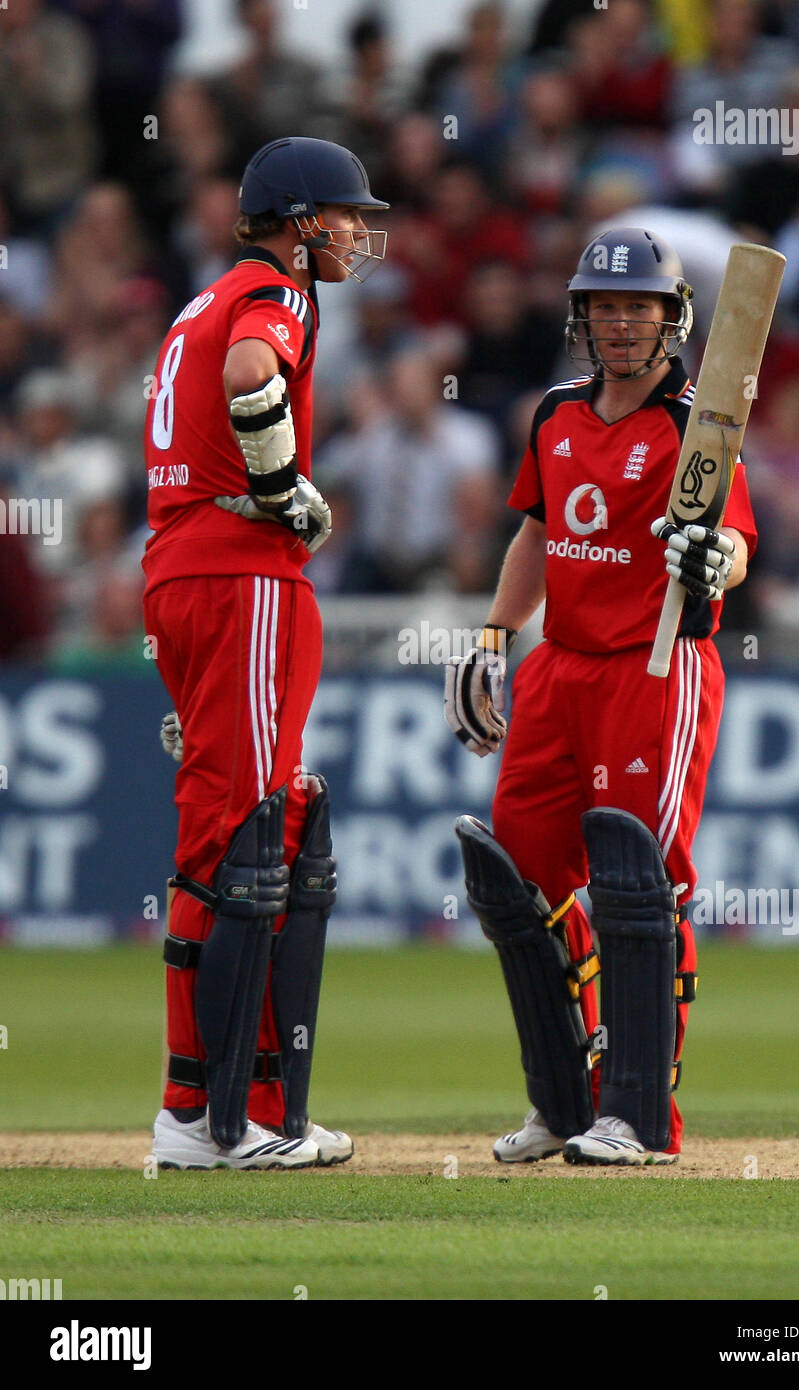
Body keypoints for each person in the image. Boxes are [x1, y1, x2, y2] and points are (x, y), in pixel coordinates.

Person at [445, 227, 757, 1166]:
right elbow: (539, 536)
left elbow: (734, 542)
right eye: (604, 307)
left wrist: (714, 560)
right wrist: (496, 634)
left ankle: (640, 1110)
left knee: (640, 884)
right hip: (560, 670)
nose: (620, 325)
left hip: (656, 665)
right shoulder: (553, 414)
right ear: (582, 318)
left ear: (673, 319)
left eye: (640, 308)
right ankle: (565, 1098)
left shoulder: (696, 423)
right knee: (522, 882)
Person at [144, 137, 389, 1169]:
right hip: (241, 573)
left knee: (233, 823)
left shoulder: (198, 299)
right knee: (236, 837)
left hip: (182, 570)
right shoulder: (272, 297)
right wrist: (284, 487)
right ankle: (216, 1120)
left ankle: (201, 1107)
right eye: (339, 215)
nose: (353, 233)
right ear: (296, 221)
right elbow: (254, 377)